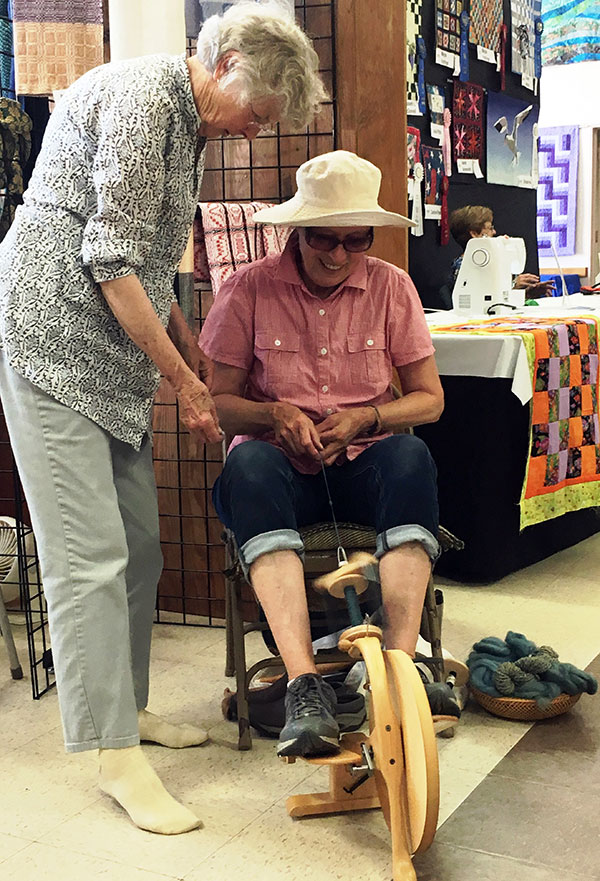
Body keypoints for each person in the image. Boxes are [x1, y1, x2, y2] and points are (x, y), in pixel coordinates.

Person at [0, 1, 325, 835]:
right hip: (49, 337)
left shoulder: (191, 124)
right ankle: (110, 752)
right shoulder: (147, 102)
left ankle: (129, 709)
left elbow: (146, 263)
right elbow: (108, 258)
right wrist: (185, 382)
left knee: (139, 546)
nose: (256, 134)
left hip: (108, 348)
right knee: (89, 556)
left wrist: (193, 361)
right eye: (257, 115)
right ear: (221, 68)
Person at [200, 150, 450, 759]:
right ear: (297, 231)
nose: (338, 255)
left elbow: (430, 401)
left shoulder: (392, 287)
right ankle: (303, 684)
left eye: (354, 240)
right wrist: (274, 416)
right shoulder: (246, 290)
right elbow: (218, 405)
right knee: (248, 463)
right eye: (323, 240)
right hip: (278, 468)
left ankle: (398, 666)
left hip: (359, 460)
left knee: (410, 460)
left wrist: (368, 416)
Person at [448, 205, 554, 298]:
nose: (494, 232)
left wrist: (526, 294)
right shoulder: (464, 268)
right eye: (490, 228)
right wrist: (512, 285)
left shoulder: (488, 265)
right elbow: (480, 302)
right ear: (475, 234)